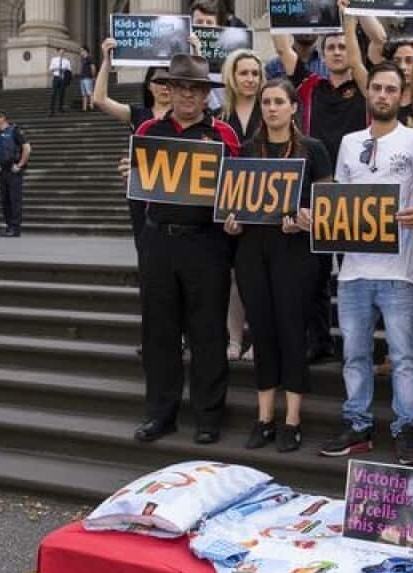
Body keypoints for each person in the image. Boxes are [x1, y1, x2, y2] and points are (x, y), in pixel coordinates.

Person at [128, 54, 242, 446]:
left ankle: (208, 416)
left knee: (208, 331)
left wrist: (234, 216)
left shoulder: (224, 134)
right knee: (159, 332)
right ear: (169, 90)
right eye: (181, 87)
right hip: (158, 240)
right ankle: (161, 414)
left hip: (206, 242)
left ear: (204, 94)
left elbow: (238, 189)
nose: (188, 95)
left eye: (195, 89)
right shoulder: (149, 129)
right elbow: (139, 188)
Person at [318, 63, 413, 465]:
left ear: (401, 96)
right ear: (369, 94)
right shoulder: (348, 142)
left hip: (398, 271)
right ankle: (358, 427)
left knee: (402, 357)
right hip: (352, 272)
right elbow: (340, 199)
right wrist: (320, 216)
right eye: (376, 88)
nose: (382, 94)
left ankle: (407, 428)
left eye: (390, 89)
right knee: (355, 355)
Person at [222, 79, 332, 453]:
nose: (271, 108)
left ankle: (292, 420)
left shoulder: (313, 149)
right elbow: (233, 204)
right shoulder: (247, 149)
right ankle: (264, 416)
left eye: (278, 102)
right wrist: (231, 223)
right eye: (266, 102)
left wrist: (307, 217)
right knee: (263, 331)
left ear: (293, 107)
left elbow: (328, 207)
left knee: (291, 330)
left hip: (296, 250)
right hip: (253, 248)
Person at [275, 28, 370, 364]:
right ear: (323, 53)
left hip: (355, 190)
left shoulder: (363, 86)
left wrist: (346, 16)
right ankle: (320, 341)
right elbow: (282, 45)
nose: (338, 52)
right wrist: (283, 12)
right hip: (315, 187)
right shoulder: (309, 86)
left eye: (343, 46)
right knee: (314, 274)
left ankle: (358, 344)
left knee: (354, 272)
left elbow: (359, 59)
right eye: (331, 47)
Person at [95, 38, 173, 240]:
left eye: (170, 81)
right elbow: (99, 100)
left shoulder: (184, 117)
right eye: (159, 81)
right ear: (149, 85)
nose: (165, 86)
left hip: (173, 193)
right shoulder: (138, 115)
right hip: (141, 196)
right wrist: (106, 61)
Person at [218, 48, 267, 362]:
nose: (250, 79)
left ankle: (258, 340)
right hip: (229, 209)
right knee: (234, 277)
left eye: (255, 73)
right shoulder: (219, 119)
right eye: (243, 73)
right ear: (231, 78)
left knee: (260, 277)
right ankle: (234, 339)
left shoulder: (271, 110)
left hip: (266, 206)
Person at [0, 109, 29, 237]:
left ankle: (15, 228)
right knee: (5, 200)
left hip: (13, 170)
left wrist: (20, 165)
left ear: (2, 118)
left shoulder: (15, 130)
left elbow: (27, 148)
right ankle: (9, 226)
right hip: (3, 172)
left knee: (14, 200)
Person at [48, 47, 72, 115]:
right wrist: (58, 68)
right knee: (53, 93)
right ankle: (51, 109)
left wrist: (65, 70)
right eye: (61, 51)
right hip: (56, 77)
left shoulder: (67, 61)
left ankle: (60, 108)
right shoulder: (54, 60)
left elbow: (70, 70)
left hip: (63, 78)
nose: (62, 52)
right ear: (58, 52)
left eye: (63, 51)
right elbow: (50, 69)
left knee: (62, 94)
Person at [77, 47, 96, 112]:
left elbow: (93, 67)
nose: (80, 52)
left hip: (88, 77)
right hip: (82, 78)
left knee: (90, 92)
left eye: (81, 50)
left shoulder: (89, 58)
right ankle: (84, 108)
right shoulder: (83, 59)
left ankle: (91, 106)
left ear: (85, 51)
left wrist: (93, 76)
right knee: (84, 94)